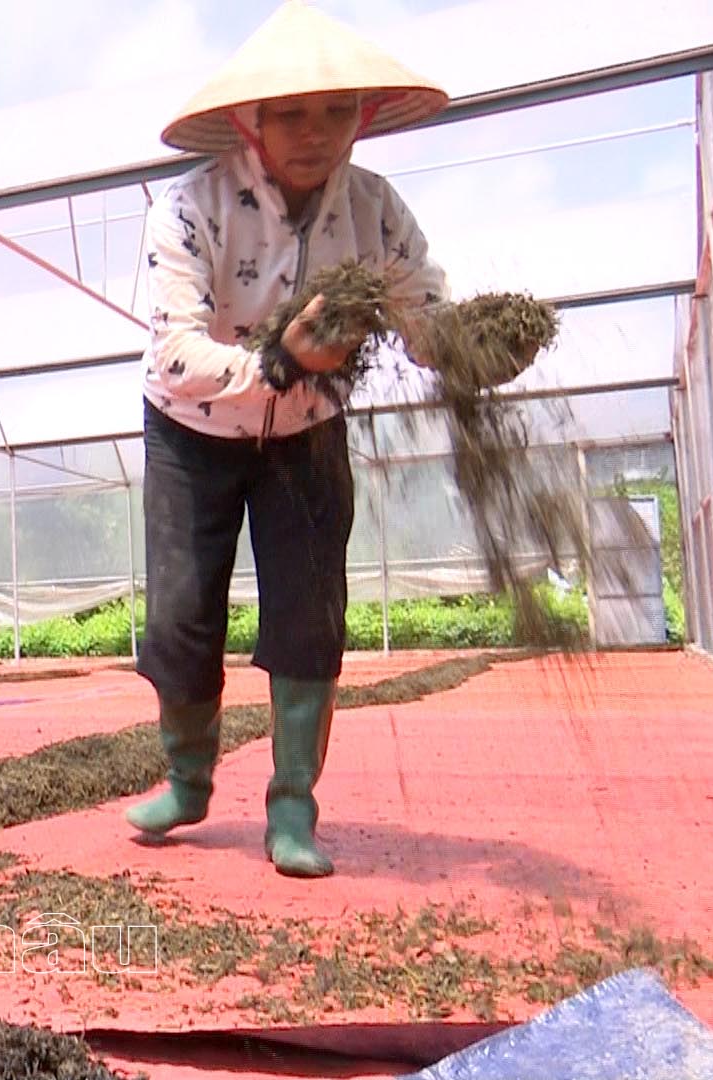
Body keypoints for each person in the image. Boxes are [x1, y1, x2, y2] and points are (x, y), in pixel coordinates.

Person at [125, 2, 451, 878]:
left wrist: (464, 346)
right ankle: (187, 780)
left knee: (310, 615)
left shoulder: (374, 208)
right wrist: (276, 359)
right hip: (193, 429)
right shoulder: (191, 208)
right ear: (251, 120)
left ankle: (293, 806)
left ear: (363, 117)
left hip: (308, 431)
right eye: (292, 115)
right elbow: (178, 350)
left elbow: (421, 307)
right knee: (182, 615)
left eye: (336, 113)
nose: (316, 134)